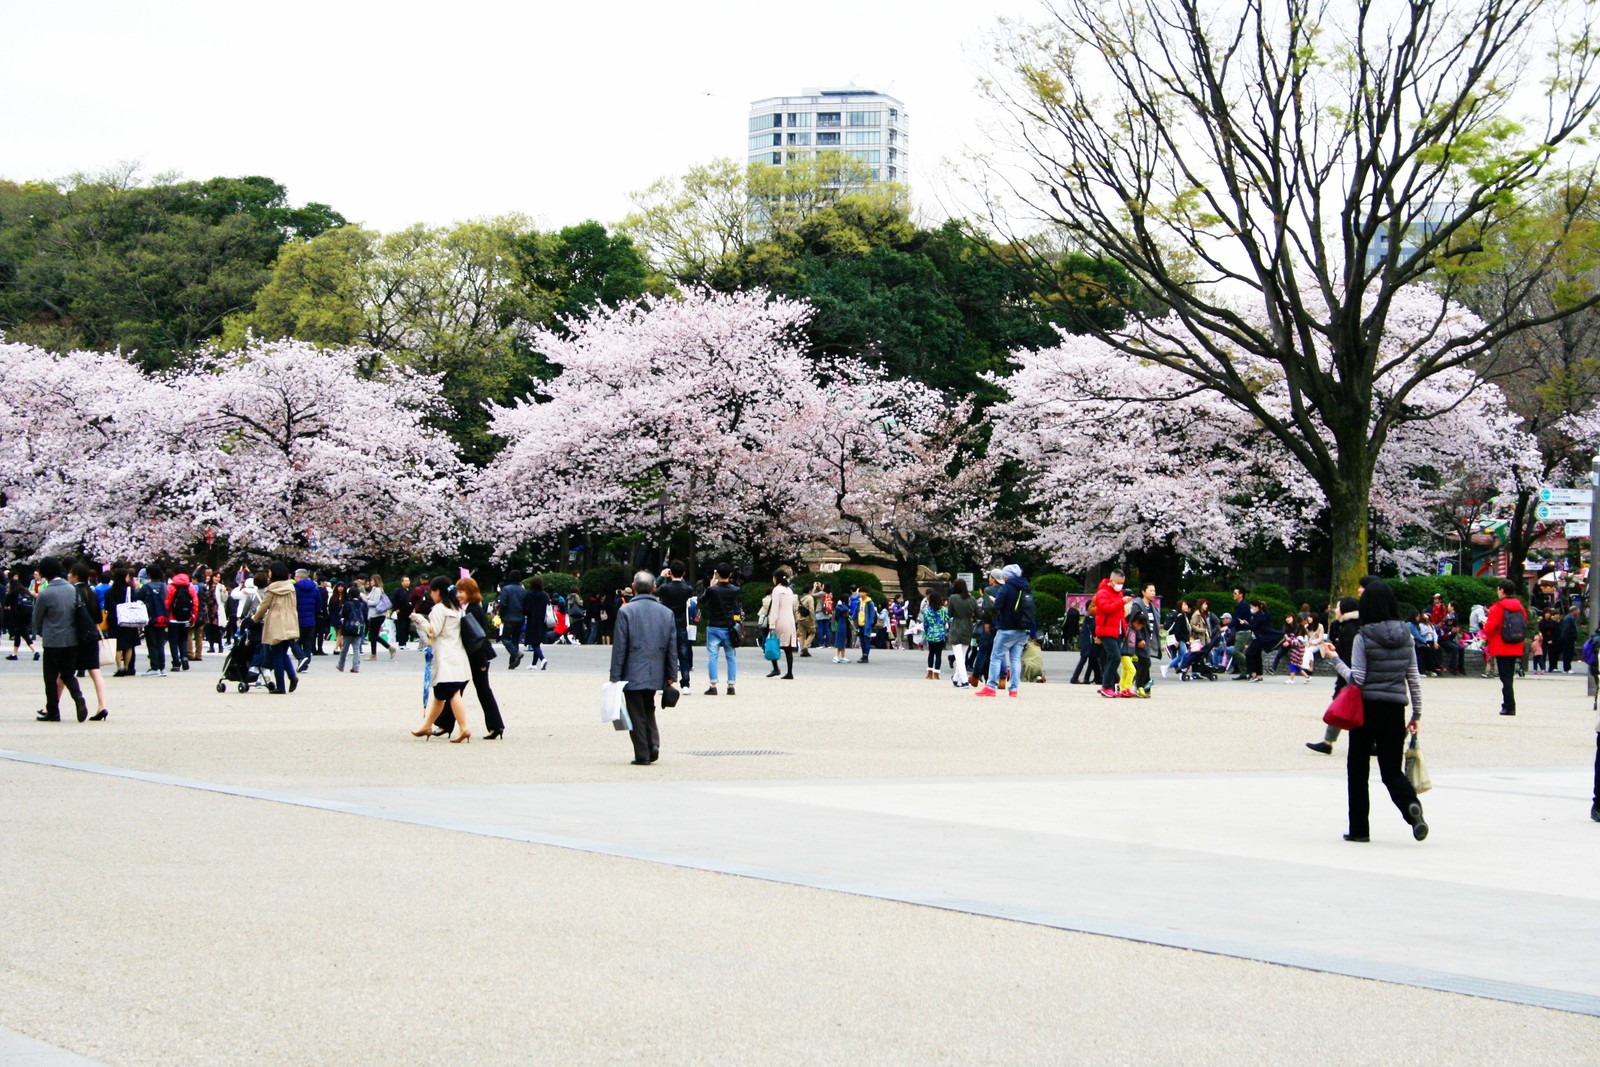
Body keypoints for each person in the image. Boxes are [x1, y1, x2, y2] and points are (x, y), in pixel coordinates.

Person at [1323, 580, 1429, 843]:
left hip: (1366, 709)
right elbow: (1413, 678)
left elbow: (1357, 679)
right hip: (1395, 709)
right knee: (1391, 770)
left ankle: (1360, 829)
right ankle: (1410, 806)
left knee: (1357, 768)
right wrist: (1416, 714)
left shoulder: (1364, 635)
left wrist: (1335, 660)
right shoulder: (1406, 635)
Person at [610, 570, 678, 765]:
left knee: (636, 712)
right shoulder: (666, 612)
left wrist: (615, 676)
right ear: (654, 587)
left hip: (631, 671)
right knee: (649, 708)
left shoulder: (626, 611)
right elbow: (672, 646)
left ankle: (643, 753)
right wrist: (671, 673)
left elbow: (620, 647)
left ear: (633, 587)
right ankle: (653, 743)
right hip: (656, 669)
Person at [410, 577, 472, 743]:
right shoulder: (458, 608)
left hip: (445, 658)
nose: (431, 594)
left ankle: (464, 727)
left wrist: (419, 619)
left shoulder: (439, 609)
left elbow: (433, 631)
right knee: (440, 695)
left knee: (452, 694)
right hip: (458, 656)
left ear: (438, 591)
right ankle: (427, 725)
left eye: (432, 591)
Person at [31, 557, 89, 723]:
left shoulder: (46, 593)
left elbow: (36, 618)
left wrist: (40, 631)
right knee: (68, 674)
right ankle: (78, 698)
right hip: (71, 638)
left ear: (43, 573)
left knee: (50, 677)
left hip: (52, 640)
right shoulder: (72, 590)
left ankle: (53, 712)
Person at [1308, 596, 1361, 754]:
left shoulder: (1351, 628)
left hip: (1349, 674)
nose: (1335, 611)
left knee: (1341, 706)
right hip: (1347, 673)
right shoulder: (1345, 626)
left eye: (1338, 607)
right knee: (1343, 707)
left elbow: (1350, 654)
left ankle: (1328, 742)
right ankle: (1328, 741)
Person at [455, 578, 506, 740]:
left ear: (470, 592)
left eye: (461, 591)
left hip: (477, 657)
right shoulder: (472, 607)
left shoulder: (474, 610)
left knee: (477, 691)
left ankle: (496, 725)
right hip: (476, 656)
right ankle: (495, 725)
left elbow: (479, 637)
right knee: (459, 690)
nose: (459, 595)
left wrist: (482, 661)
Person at [977, 564, 1032, 698]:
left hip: (1007, 627)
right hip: (1023, 629)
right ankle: (1014, 689)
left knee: (996, 656)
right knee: (1015, 659)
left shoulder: (1006, 588)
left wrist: (994, 601)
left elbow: (998, 606)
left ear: (1007, 576)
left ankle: (990, 687)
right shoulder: (1025, 588)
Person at [67, 562, 109, 721]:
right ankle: (102, 705)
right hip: (92, 635)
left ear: (76, 575)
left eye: (71, 573)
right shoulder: (92, 592)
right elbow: (98, 617)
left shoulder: (72, 592)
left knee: (64, 673)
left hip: (77, 637)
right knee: (95, 671)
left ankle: (53, 705)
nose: (68, 576)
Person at [251, 563, 300, 695]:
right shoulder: (291, 588)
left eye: (270, 571)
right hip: (290, 621)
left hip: (276, 623)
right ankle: (292, 676)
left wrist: (255, 618)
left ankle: (281, 686)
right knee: (283, 652)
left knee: (277, 654)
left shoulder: (271, 589)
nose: (269, 573)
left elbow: (263, 607)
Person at [1483, 579, 1527, 716]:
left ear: (1502, 590)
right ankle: (1509, 704)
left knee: (1505, 677)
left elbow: (1490, 628)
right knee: (1509, 676)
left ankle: (1509, 705)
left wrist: (1485, 628)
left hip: (1501, 646)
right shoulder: (1520, 607)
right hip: (1515, 644)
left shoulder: (1497, 608)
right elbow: (1525, 623)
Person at [700, 566, 742, 695]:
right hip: (728, 626)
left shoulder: (712, 590)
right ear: (730, 574)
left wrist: (711, 586)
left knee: (713, 656)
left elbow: (701, 601)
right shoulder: (735, 590)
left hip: (714, 626)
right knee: (731, 656)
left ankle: (713, 685)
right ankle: (731, 685)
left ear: (717, 574)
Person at [655, 562, 695, 692]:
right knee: (683, 655)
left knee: (665, 655)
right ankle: (685, 684)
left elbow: (654, 589)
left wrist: (661, 577)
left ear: (670, 572)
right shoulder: (687, 589)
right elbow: (687, 589)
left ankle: (664, 683)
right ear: (683, 573)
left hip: (666, 624)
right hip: (681, 625)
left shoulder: (665, 588)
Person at [1093, 569, 1130, 698]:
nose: (1121, 586)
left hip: (1117, 630)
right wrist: (1122, 601)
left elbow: (1121, 614)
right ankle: (1106, 686)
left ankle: (1109, 685)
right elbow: (1106, 609)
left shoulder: (1119, 593)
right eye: (1119, 582)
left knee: (1111, 658)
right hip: (1105, 630)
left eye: (1122, 583)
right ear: (1112, 580)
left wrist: (1124, 629)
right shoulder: (1102, 592)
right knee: (1115, 657)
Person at [107, 568, 142, 677]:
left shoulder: (110, 591)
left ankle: (119, 668)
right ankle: (127, 667)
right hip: (128, 620)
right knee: (129, 644)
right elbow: (135, 601)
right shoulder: (130, 590)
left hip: (114, 620)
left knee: (117, 645)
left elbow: (107, 606)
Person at [765, 570, 800, 680]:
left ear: (776, 578)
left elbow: (775, 608)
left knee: (772, 643)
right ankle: (790, 672)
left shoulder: (776, 590)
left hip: (780, 620)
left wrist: (771, 623)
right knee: (788, 648)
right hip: (790, 620)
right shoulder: (789, 589)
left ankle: (776, 668)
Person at [139, 565, 169, 677]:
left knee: (152, 643)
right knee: (160, 643)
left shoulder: (146, 587)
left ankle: (154, 667)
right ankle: (162, 667)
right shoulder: (164, 587)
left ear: (149, 575)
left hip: (150, 618)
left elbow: (138, 598)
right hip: (163, 618)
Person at [946, 578, 976, 688]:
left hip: (957, 626)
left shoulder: (953, 598)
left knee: (959, 656)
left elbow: (950, 614)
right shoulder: (972, 599)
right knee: (962, 655)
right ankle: (955, 678)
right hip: (968, 627)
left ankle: (964, 680)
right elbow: (978, 613)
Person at [4, 569, 41, 662]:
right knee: (18, 633)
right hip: (28, 612)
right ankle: (14, 653)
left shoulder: (12, 593)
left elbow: (6, 604)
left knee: (23, 633)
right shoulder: (24, 590)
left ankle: (35, 651)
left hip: (18, 615)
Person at [495, 571, 526, 669]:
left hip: (509, 617)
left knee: (505, 639)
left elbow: (503, 604)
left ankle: (516, 653)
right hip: (520, 618)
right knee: (515, 640)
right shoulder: (523, 591)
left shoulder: (506, 589)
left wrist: (500, 615)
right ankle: (512, 662)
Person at [364, 575, 396, 659]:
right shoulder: (374, 590)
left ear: (376, 581)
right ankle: (389, 648)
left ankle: (374, 654)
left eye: (372, 580)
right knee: (373, 635)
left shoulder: (377, 590)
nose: (370, 582)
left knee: (372, 635)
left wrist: (366, 602)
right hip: (375, 614)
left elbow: (375, 602)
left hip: (377, 614)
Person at [292, 568, 319, 671]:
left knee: (295, 641)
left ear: (299, 577)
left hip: (297, 619)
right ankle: (306, 663)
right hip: (310, 619)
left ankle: (301, 658)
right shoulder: (314, 588)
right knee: (308, 642)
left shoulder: (295, 588)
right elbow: (318, 604)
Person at [336, 588, 367, 673]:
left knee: (344, 648)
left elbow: (342, 615)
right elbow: (365, 617)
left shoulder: (347, 604)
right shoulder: (362, 605)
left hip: (348, 629)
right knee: (356, 649)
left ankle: (341, 665)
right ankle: (356, 667)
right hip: (358, 629)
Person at [922, 590, 950, 680]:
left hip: (930, 634)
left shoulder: (927, 611)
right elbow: (948, 620)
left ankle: (929, 673)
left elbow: (925, 624)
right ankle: (936, 673)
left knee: (931, 653)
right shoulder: (944, 610)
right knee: (938, 654)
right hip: (940, 634)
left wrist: (927, 632)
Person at [524, 577, 550, 671]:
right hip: (542, 621)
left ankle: (543, 659)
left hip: (532, 620)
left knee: (534, 643)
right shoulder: (545, 595)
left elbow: (526, 609)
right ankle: (534, 664)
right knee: (537, 642)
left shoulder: (529, 595)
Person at [854, 588, 879, 664]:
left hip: (866, 624)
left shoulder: (869, 603)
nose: (861, 593)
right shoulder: (859, 601)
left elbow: (872, 614)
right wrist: (852, 618)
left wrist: (870, 623)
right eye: (860, 592)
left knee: (866, 640)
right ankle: (863, 655)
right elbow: (856, 611)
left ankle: (865, 656)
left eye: (863, 592)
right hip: (860, 624)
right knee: (862, 641)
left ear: (866, 593)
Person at [796, 581, 819, 657]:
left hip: (800, 618)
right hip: (808, 618)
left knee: (802, 634)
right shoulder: (810, 598)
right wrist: (813, 619)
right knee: (812, 632)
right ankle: (805, 647)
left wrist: (797, 617)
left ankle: (803, 650)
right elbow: (811, 610)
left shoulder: (799, 598)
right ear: (809, 591)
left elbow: (796, 608)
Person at [830, 591, 852, 664]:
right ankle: (836, 656)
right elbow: (844, 609)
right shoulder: (840, 606)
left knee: (843, 641)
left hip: (844, 625)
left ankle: (843, 656)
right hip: (841, 625)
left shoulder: (843, 606)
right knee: (840, 641)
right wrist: (841, 604)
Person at [1558, 606, 1581, 674]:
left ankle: (1567, 668)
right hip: (1567, 639)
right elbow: (1566, 629)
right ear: (1573, 611)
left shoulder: (1571, 618)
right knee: (1567, 654)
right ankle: (1566, 668)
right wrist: (1569, 637)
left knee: (1569, 654)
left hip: (1569, 639)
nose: (1578, 612)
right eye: (1577, 610)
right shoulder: (1569, 618)